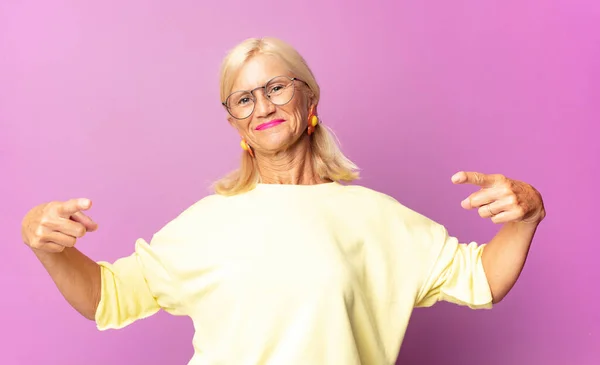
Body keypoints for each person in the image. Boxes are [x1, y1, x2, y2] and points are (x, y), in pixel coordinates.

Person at [20, 37, 546, 365]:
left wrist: (527, 216)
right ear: (235, 124)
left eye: (275, 87)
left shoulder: (377, 217)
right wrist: (46, 245)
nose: (262, 106)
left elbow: (481, 280)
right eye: (244, 98)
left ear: (309, 98)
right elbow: (107, 298)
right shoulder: (205, 225)